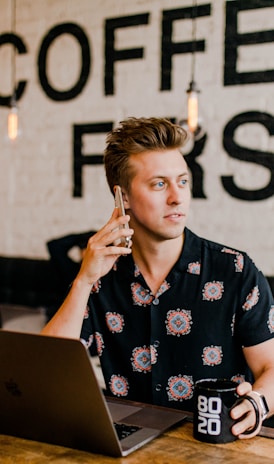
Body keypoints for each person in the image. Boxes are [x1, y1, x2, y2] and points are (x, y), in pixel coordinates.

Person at [41, 117, 274, 439]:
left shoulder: (235, 270)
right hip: (131, 447)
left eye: (183, 181)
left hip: (218, 446)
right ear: (123, 198)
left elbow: (270, 367)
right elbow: (45, 373)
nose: (177, 197)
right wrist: (83, 280)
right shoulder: (101, 278)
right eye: (159, 184)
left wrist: (258, 402)